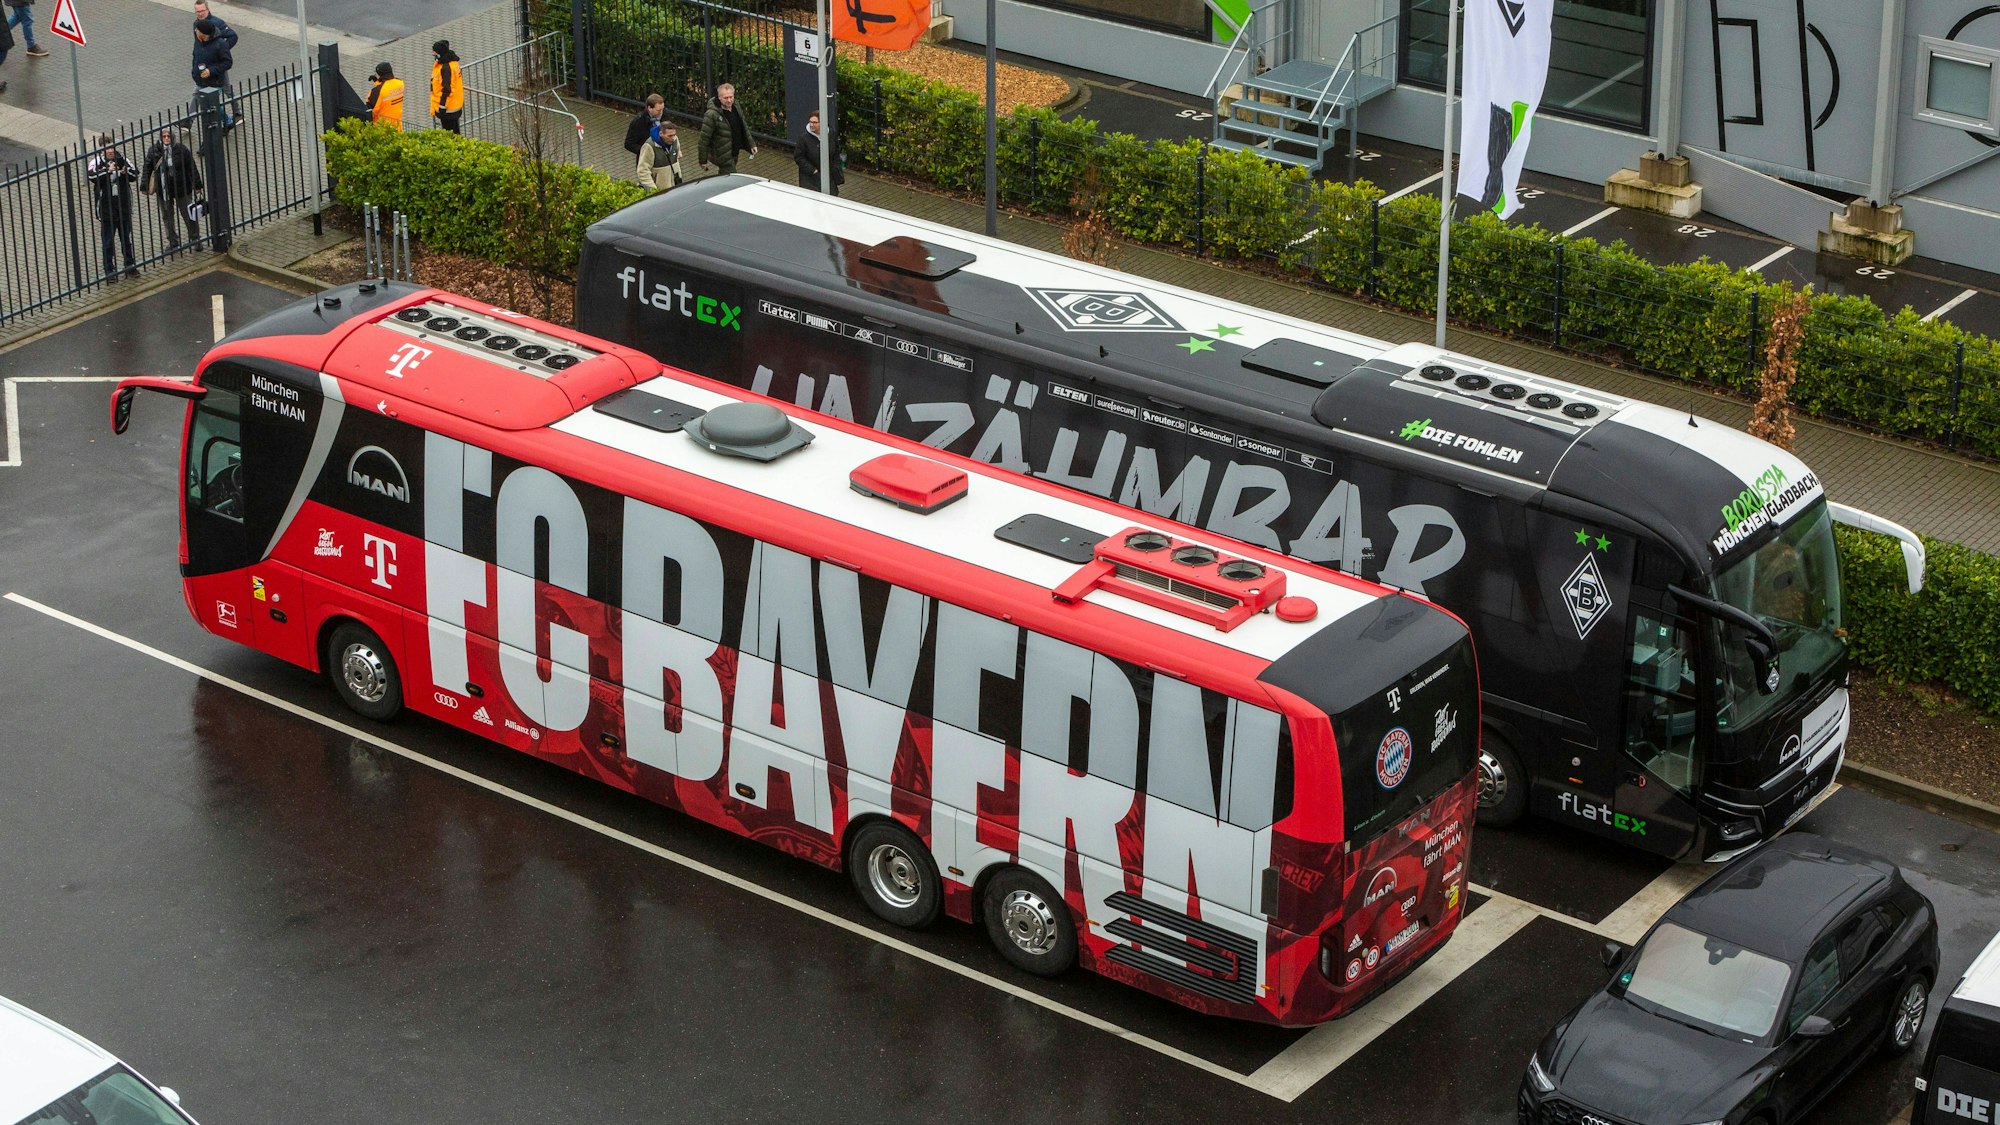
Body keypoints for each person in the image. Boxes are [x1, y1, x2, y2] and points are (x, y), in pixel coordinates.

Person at [141, 124, 203, 253]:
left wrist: (197, 185)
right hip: (164, 190)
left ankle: (195, 238)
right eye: (164, 136)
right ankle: (173, 242)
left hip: (182, 188)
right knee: (167, 217)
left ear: (173, 137)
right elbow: (147, 168)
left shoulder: (181, 149)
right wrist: (144, 186)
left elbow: (191, 167)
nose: (166, 138)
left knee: (188, 214)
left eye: (169, 136)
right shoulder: (154, 150)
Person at [86, 135, 139, 280]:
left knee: (126, 239)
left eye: (112, 147)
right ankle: (109, 270)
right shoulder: (95, 163)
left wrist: (124, 171)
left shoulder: (122, 159)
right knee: (108, 242)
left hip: (123, 207)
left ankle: (130, 265)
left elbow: (135, 174)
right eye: (107, 148)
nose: (110, 151)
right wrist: (107, 171)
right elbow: (91, 177)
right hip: (106, 210)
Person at [192, 1, 239, 124]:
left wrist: (222, 51)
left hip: (217, 65)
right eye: (198, 11)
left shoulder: (216, 23)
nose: (200, 13)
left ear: (208, 10)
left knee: (224, 90)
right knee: (201, 92)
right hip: (205, 67)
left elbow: (233, 36)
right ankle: (189, 120)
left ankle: (234, 116)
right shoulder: (196, 25)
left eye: (202, 11)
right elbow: (198, 46)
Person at [698, 82, 756, 177]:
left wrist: (751, 144)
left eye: (731, 97)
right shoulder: (712, 114)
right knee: (731, 178)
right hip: (723, 155)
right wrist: (702, 160)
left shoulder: (736, 106)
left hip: (734, 151)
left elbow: (743, 125)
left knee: (725, 178)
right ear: (719, 97)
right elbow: (704, 139)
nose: (729, 100)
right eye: (726, 98)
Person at [625, 95, 682, 190]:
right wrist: (647, 151)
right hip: (648, 158)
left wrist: (677, 149)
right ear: (649, 108)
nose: (661, 112)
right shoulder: (638, 122)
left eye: (662, 109)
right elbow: (628, 144)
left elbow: (670, 133)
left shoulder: (664, 114)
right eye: (658, 110)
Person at [794, 110, 842, 196]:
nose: (812, 125)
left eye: (815, 122)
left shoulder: (831, 134)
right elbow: (799, 157)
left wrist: (836, 168)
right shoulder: (803, 138)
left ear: (822, 123)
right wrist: (813, 170)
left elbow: (836, 152)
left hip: (829, 177)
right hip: (810, 180)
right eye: (810, 122)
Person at [431, 39, 462, 133]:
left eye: (434, 52)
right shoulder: (453, 63)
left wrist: (442, 107)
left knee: (450, 134)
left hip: (448, 109)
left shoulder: (446, 68)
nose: (433, 54)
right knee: (455, 131)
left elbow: (447, 89)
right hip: (454, 105)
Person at [366, 61, 404, 130]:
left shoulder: (376, 91)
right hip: (397, 127)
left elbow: (371, 111)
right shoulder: (400, 83)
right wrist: (377, 82)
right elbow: (387, 89)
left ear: (380, 74)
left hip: (381, 129)